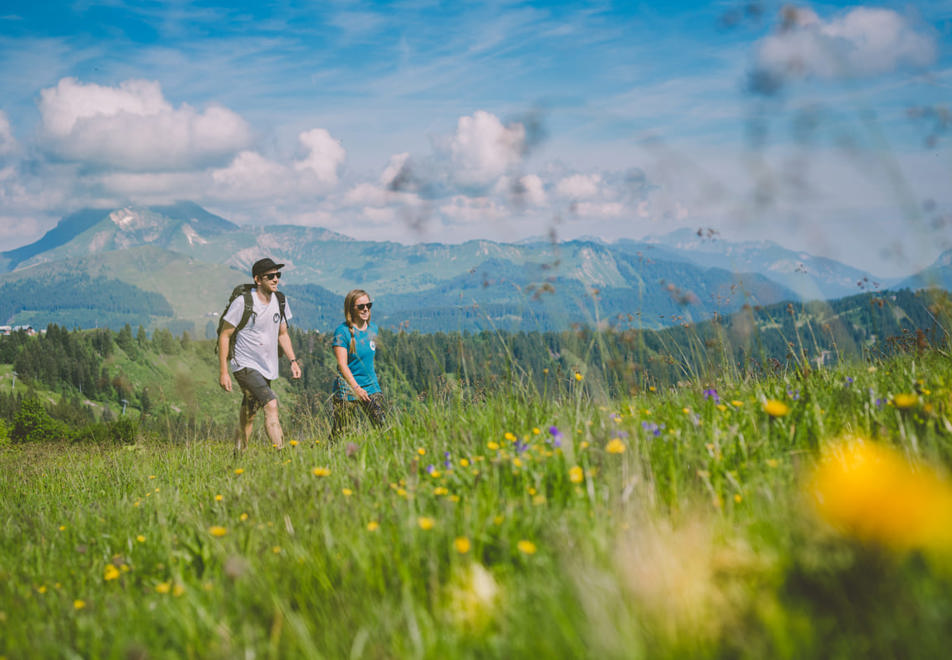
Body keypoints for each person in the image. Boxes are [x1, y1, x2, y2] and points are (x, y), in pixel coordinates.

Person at [218, 257, 302, 451]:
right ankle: (282, 456)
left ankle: (240, 451)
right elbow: (225, 335)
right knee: (271, 404)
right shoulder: (243, 303)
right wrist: (224, 371)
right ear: (258, 279)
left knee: (250, 411)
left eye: (277, 275)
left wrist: (293, 361)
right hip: (244, 364)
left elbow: (283, 334)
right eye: (270, 276)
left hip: (267, 365)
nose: (276, 280)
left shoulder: (280, 300)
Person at [331, 289, 386, 437]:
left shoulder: (373, 329)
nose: (366, 309)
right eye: (361, 306)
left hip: (371, 386)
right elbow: (342, 365)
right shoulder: (342, 332)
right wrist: (356, 388)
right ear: (351, 309)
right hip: (347, 389)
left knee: (383, 426)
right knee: (341, 432)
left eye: (368, 305)